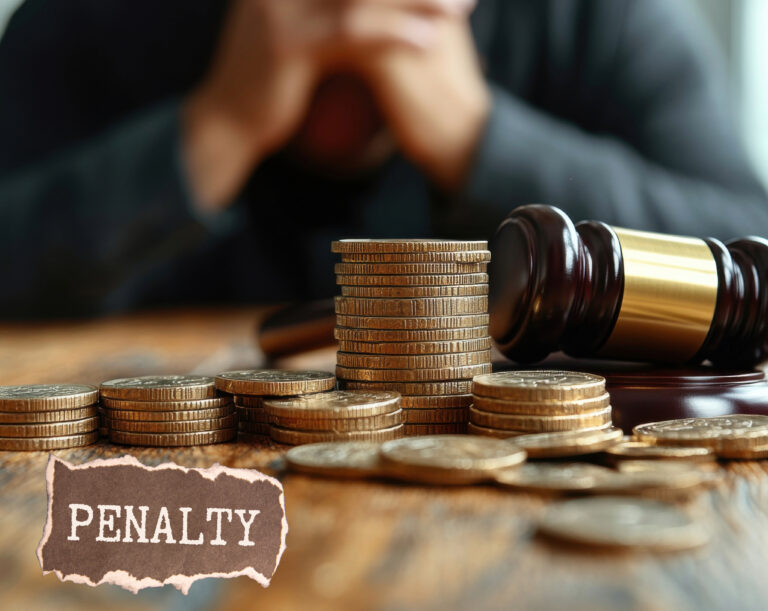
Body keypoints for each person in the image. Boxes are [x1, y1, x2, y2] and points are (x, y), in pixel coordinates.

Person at [1, 0, 766, 318]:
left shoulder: (592, 16)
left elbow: (751, 255)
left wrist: (480, 141)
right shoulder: (96, 19)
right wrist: (215, 131)